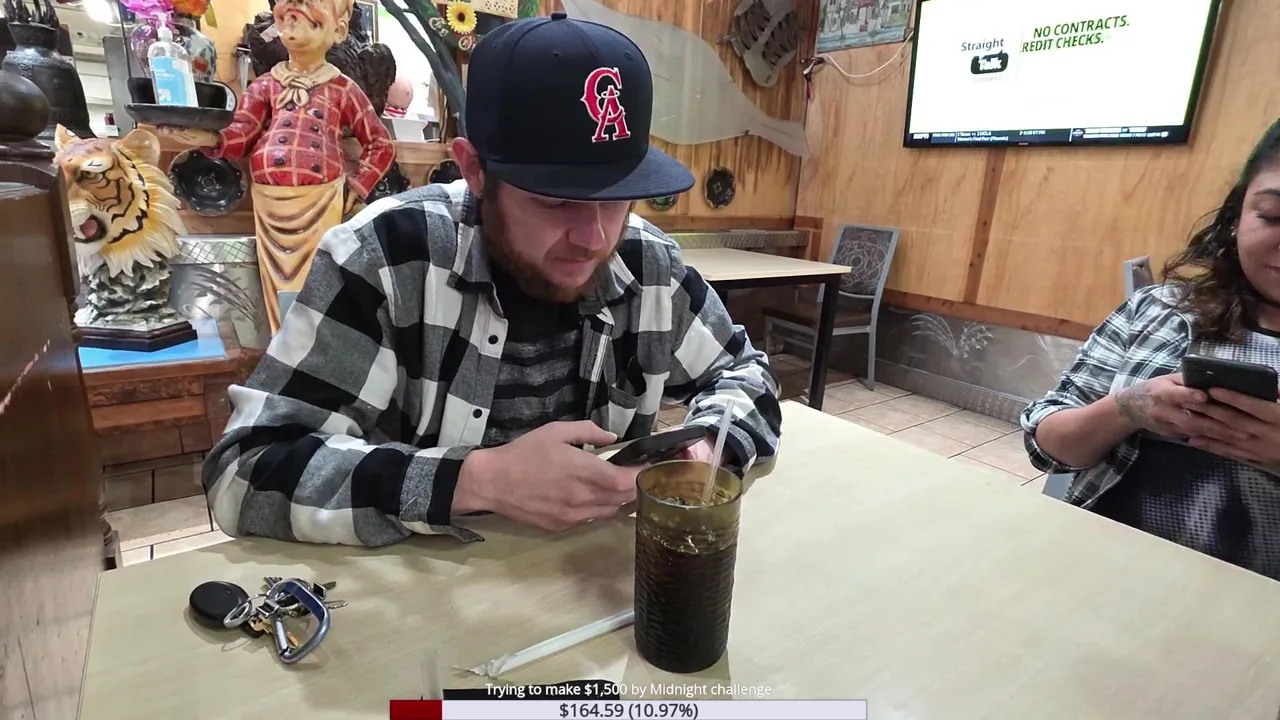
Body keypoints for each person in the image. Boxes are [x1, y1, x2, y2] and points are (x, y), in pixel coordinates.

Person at [202, 13, 783, 547]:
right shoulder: (386, 257)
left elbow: (746, 376)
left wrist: (703, 450)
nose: (594, 237)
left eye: (617, 197)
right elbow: (242, 474)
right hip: (421, 598)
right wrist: (475, 480)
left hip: (594, 584)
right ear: (475, 169)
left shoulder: (646, 261)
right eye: (556, 201)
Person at [1021, 119, 1280, 579]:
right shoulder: (1158, 310)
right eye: (1274, 216)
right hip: (1088, 567)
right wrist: (1127, 408)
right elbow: (1047, 446)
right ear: (1236, 217)